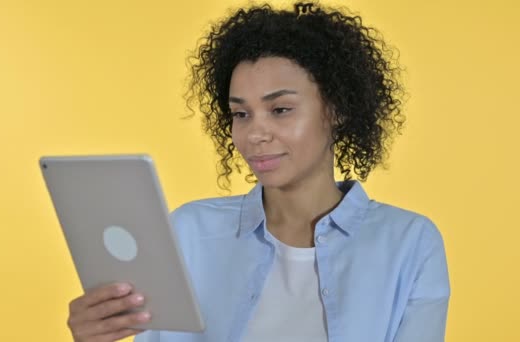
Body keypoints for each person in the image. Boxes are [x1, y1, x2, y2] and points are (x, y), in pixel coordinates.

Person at [66, 2, 451, 341]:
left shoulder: (409, 244)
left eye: (280, 109)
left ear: (336, 110)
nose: (255, 134)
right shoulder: (189, 233)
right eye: (241, 114)